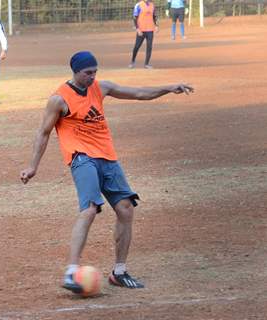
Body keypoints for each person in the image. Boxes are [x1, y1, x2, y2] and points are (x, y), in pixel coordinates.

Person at [20, 51, 194, 293]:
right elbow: (43, 132)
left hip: (107, 157)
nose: (92, 77)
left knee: (126, 208)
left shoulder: (102, 88)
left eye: (95, 72)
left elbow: (140, 94)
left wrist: (169, 87)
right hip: (81, 158)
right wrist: (33, 166)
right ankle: (71, 271)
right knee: (90, 209)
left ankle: (119, 272)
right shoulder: (59, 99)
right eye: (87, 73)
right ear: (75, 72)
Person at [129, 0, 159, 69]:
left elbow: (154, 16)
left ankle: (146, 64)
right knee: (137, 46)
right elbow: (135, 17)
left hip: (150, 29)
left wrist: (156, 25)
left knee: (149, 46)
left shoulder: (152, 5)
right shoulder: (138, 5)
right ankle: (132, 61)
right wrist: (137, 28)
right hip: (141, 30)